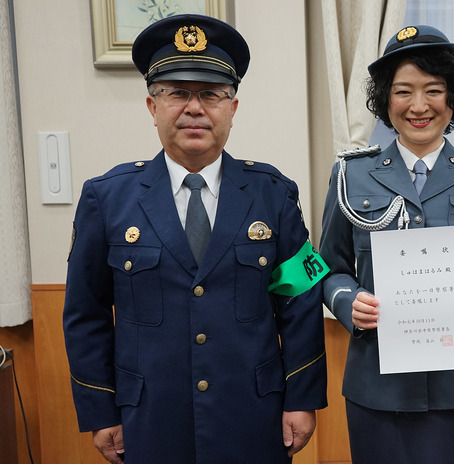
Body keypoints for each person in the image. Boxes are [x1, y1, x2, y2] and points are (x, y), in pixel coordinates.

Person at [62, 15, 327, 464]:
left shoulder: (275, 193)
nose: (194, 108)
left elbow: (301, 298)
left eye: (210, 94)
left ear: (233, 108)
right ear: (152, 106)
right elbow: (85, 313)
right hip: (148, 417)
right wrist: (99, 409)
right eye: (177, 93)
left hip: (253, 413)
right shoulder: (106, 198)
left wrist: (300, 398)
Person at [319, 25, 454, 464]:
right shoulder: (351, 175)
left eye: (434, 90)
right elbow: (326, 266)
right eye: (404, 91)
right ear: (386, 100)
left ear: (453, 98)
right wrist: (347, 300)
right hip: (378, 385)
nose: (419, 106)